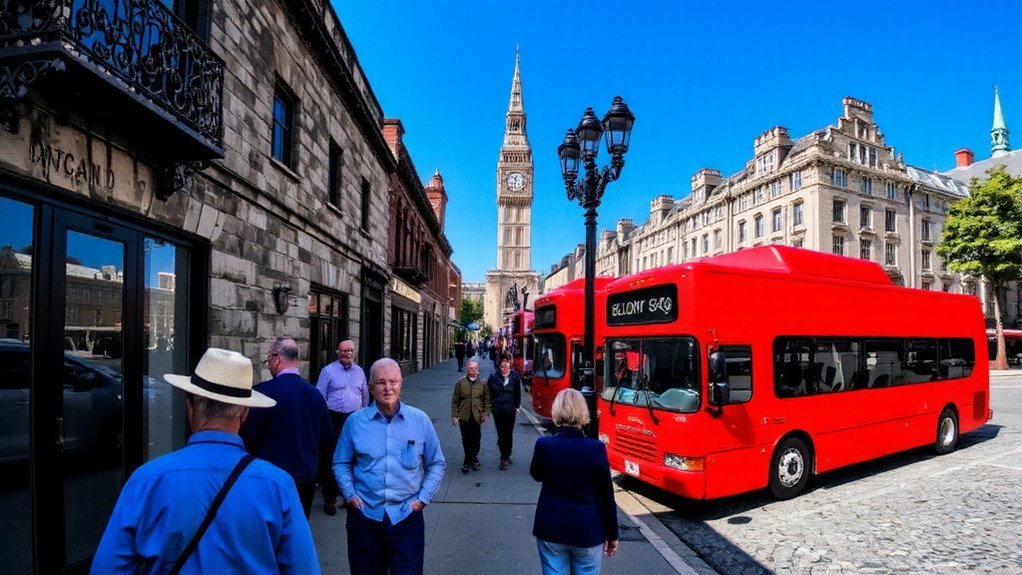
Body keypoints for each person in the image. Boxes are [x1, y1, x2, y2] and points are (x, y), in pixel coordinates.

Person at [92, 348, 320, 574]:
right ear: (244, 413)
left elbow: (107, 569)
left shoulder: (145, 481)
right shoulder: (278, 485)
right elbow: (304, 569)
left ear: (189, 406)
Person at [333, 357, 446, 575]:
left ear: (401, 383)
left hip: (407, 517)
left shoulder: (419, 420)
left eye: (393, 381)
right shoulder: (355, 422)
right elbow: (341, 462)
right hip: (365, 517)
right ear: (370, 387)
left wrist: (422, 499)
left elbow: (436, 463)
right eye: (381, 382)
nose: (388, 388)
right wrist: (350, 495)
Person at [240, 337, 333, 517]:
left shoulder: (262, 394)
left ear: (277, 358)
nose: (268, 363)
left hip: (268, 478)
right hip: (304, 478)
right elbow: (327, 440)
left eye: (269, 358)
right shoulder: (315, 395)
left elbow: (247, 437)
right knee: (298, 527)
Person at [531, 388, 619, 575]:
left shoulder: (544, 445)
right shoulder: (596, 448)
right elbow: (606, 496)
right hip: (587, 529)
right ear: (583, 412)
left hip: (551, 527)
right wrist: (612, 534)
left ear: (556, 411)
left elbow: (537, 475)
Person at [316, 339, 370, 516]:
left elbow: (365, 396)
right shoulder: (328, 371)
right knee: (332, 458)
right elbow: (320, 396)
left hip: (354, 419)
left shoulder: (360, 371)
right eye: (344, 350)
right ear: (337, 352)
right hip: (333, 418)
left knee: (353, 457)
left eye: (351, 350)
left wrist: (364, 417)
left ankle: (349, 497)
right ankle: (330, 498)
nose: (348, 353)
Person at [450, 359, 491, 474]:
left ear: (478, 369)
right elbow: (455, 401)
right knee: (466, 440)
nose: (472, 370)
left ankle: (470, 459)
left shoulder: (483, 383)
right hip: (464, 416)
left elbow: (487, 401)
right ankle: (468, 462)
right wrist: (454, 416)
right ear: (467, 369)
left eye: (474, 368)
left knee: (476, 440)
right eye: (470, 368)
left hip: (477, 416)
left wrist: (486, 414)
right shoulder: (460, 383)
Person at [487, 353, 522, 470]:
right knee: (501, 433)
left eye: (506, 365)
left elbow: (517, 392)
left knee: (508, 433)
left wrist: (517, 406)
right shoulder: (493, 377)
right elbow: (489, 393)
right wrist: (489, 406)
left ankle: (508, 452)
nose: (504, 368)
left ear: (510, 364)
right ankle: (504, 458)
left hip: (510, 409)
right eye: (502, 365)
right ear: (499, 365)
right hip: (497, 409)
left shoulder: (515, 377)